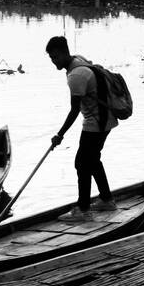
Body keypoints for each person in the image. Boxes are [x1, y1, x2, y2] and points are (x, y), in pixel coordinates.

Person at [45, 36, 116, 216]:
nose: (54, 62)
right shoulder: (79, 60)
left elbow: (74, 110)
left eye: (55, 57)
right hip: (104, 119)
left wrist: (59, 135)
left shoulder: (76, 75)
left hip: (96, 123)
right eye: (51, 58)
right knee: (92, 160)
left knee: (82, 164)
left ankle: (83, 209)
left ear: (63, 53)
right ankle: (107, 200)